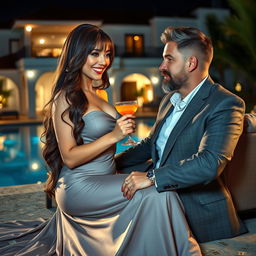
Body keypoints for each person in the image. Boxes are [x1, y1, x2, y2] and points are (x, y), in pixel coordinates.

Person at [0, 24, 202, 255]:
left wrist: (124, 137)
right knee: (160, 193)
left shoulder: (101, 93)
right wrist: (113, 135)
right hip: (80, 186)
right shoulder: (65, 97)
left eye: (107, 54)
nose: (103, 61)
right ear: (77, 54)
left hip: (106, 180)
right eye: (94, 53)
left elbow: (108, 140)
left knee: (160, 186)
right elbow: (70, 157)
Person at [116, 26, 248, 243]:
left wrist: (152, 177)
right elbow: (151, 144)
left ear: (191, 63)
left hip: (199, 218)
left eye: (169, 59)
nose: (161, 67)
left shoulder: (226, 103)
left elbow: (210, 163)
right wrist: (111, 164)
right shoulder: (169, 100)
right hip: (160, 207)